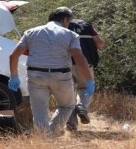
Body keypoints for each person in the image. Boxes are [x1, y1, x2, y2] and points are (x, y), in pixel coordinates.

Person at [8, 7, 94, 136]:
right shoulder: (71, 35)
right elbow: (79, 57)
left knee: (39, 111)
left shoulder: (31, 32)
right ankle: (51, 134)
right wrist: (89, 80)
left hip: (35, 76)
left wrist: (14, 76)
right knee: (67, 106)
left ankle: (44, 137)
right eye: (69, 22)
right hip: (61, 76)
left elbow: (13, 56)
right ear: (65, 20)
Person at [66, 19, 106, 131]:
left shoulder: (60, 27)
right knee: (85, 87)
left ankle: (71, 123)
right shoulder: (87, 26)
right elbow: (100, 43)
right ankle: (82, 107)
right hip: (84, 63)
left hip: (63, 64)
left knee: (68, 94)